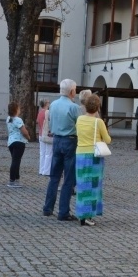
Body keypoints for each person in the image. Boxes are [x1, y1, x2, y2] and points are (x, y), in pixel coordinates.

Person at [43, 79, 80, 221]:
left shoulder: (53, 105)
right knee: (68, 179)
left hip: (56, 140)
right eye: (75, 89)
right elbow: (80, 124)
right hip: (70, 140)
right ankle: (63, 211)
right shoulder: (74, 107)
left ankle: (48, 207)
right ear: (71, 91)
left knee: (54, 177)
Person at [75, 94, 112, 226]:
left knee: (82, 185)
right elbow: (108, 139)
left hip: (80, 154)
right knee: (93, 186)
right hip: (94, 156)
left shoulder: (79, 119)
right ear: (97, 107)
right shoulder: (98, 122)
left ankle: (81, 213)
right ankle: (88, 215)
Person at [6, 102, 30, 188]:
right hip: (19, 142)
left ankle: (16, 178)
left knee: (15, 160)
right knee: (16, 161)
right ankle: (12, 180)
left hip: (11, 142)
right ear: (16, 110)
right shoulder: (18, 120)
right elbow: (24, 131)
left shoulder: (8, 119)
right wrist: (28, 137)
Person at [37, 99, 52, 175]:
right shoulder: (47, 112)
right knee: (48, 153)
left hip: (40, 134)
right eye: (49, 102)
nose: (49, 103)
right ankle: (46, 171)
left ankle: (41, 169)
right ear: (46, 104)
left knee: (42, 153)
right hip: (46, 135)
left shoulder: (40, 112)